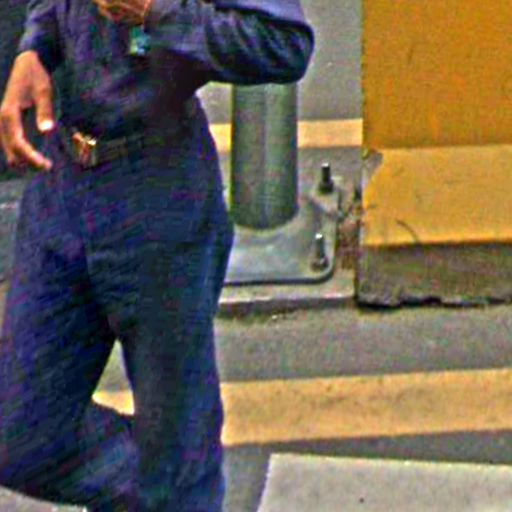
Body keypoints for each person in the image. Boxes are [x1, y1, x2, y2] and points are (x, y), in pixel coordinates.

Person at [0, 0, 314, 510]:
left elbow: (283, 45)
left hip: (156, 192)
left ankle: (183, 488)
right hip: (60, 187)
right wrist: (35, 48)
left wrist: (154, 13)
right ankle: (176, 491)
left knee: (177, 450)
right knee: (20, 436)